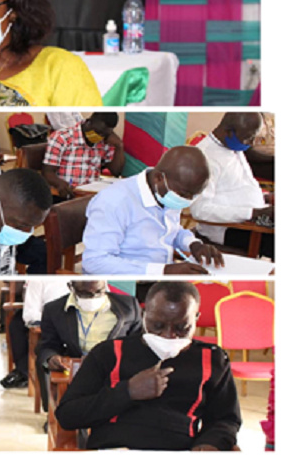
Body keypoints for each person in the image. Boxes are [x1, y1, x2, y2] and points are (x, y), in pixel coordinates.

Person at [55, 281, 241, 450]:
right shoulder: (109, 352)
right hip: (116, 446)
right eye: (158, 325)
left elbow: (225, 419)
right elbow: (68, 415)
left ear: (196, 319)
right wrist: (127, 391)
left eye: (181, 328)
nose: (168, 336)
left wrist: (209, 443)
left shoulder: (212, 358)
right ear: (144, 315)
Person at [82, 146, 223, 275]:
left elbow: (170, 229)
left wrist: (193, 244)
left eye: (195, 194)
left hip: (160, 275)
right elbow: (95, 262)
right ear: (159, 178)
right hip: (126, 284)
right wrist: (163, 270)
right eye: (185, 194)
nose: (188, 200)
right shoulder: (115, 201)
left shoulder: (168, 191)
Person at [38, 281, 142, 429]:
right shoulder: (53, 309)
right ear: (71, 287)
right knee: (75, 413)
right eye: (85, 294)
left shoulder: (129, 306)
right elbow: (47, 345)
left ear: (105, 285)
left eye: (98, 292)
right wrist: (51, 358)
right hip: (75, 371)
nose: (92, 298)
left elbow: (137, 343)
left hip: (115, 370)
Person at [191, 112, 274, 259]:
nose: (251, 143)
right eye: (249, 138)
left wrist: (266, 197)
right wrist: (254, 213)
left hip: (253, 221)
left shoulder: (231, 146)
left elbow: (235, 188)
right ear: (229, 131)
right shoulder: (204, 157)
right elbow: (200, 210)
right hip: (228, 229)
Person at [0, 279, 69, 389]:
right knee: (17, 324)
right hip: (42, 316)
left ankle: (26, 372)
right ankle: (23, 371)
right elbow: (31, 313)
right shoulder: (37, 281)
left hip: (65, 319)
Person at [42, 112, 125, 199]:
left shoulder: (105, 140)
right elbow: (47, 172)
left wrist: (119, 146)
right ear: (88, 123)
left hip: (92, 195)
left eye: (104, 135)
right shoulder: (62, 137)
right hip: (68, 194)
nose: (99, 137)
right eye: (97, 132)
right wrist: (60, 183)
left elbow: (116, 172)